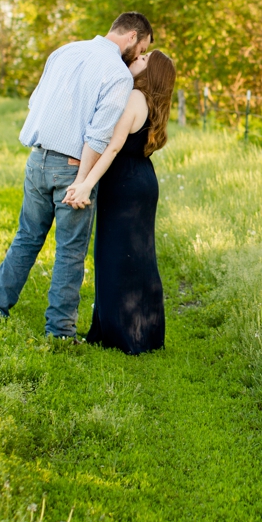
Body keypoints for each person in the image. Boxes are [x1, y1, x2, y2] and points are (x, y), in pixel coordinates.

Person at [0, 12, 152, 338]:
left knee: (26, 239)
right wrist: (83, 182)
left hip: (37, 159)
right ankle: (59, 332)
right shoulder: (118, 74)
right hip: (73, 165)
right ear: (133, 37)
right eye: (143, 45)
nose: (140, 53)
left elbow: (37, 102)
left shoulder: (65, 51)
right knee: (70, 252)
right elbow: (99, 135)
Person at [63, 50, 175, 354]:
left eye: (145, 58)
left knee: (115, 257)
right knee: (137, 258)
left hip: (124, 184)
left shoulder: (134, 97)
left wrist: (86, 183)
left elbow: (112, 148)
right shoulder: (151, 101)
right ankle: (142, 333)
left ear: (150, 71)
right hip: (140, 180)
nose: (137, 57)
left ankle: (126, 336)